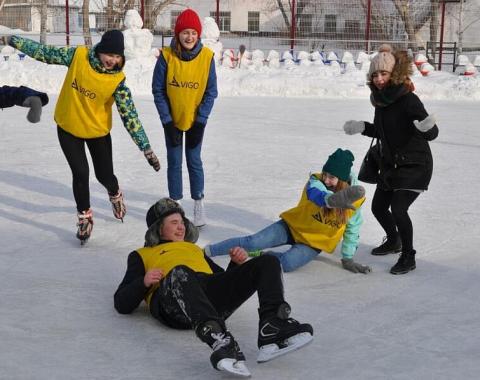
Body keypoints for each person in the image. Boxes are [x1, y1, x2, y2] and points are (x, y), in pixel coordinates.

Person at [114, 198, 313, 377]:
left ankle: (273, 327)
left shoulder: (194, 249)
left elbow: (221, 281)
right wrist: (144, 282)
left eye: (182, 222)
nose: (181, 227)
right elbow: (121, 302)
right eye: (174, 223)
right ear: (158, 229)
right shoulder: (141, 255)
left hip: (208, 299)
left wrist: (235, 264)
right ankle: (222, 342)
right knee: (179, 272)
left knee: (268, 261)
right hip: (172, 304)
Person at [7, 31, 161, 244]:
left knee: (105, 176)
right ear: (100, 51)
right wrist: (13, 40)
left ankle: (115, 194)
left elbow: (130, 117)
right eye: (109, 54)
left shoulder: (117, 81)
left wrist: (146, 148)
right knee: (80, 173)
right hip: (68, 128)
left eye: (117, 57)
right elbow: (44, 52)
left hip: (98, 132)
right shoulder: (78, 56)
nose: (112, 60)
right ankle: (84, 217)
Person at [342, 44, 439, 275]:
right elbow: (384, 132)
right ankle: (394, 240)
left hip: (415, 164)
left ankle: (408, 255)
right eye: (374, 74)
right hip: (391, 165)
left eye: (383, 73)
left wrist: (426, 128)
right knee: (377, 207)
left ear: (394, 74)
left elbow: (431, 134)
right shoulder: (381, 101)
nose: (378, 79)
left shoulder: (408, 99)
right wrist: (363, 127)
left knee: (398, 209)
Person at [205, 149, 371, 274]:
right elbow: (316, 192)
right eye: (325, 174)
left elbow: (353, 227)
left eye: (332, 177)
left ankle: (262, 255)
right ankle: (206, 251)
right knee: (252, 241)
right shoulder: (316, 180)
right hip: (292, 227)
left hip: (313, 243)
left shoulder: (355, 198)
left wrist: (347, 257)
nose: (326, 179)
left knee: (287, 264)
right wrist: (330, 200)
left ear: (342, 179)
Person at [152, 8, 218, 228]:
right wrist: (166, 121)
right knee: (174, 161)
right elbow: (158, 90)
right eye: (185, 32)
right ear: (177, 34)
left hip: (195, 120)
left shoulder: (207, 57)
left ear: (198, 35)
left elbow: (211, 92)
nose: (189, 37)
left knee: (194, 160)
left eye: (193, 33)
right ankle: (176, 203)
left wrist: (200, 121)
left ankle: (198, 202)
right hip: (172, 119)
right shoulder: (166, 56)